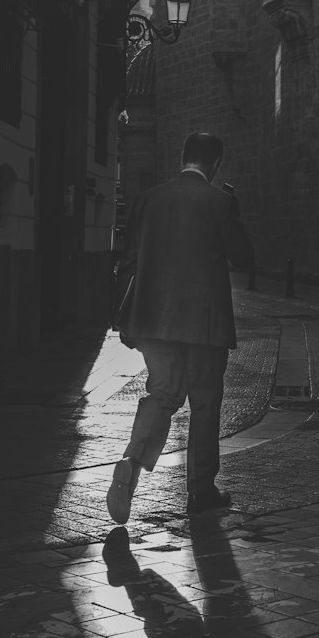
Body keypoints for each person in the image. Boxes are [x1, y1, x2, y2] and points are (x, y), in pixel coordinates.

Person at [108, 131, 254, 521]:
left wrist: (123, 319)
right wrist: (233, 211)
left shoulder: (147, 200)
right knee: (205, 403)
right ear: (216, 164)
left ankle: (131, 461)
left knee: (162, 393)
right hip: (204, 326)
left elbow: (129, 264)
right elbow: (243, 257)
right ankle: (201, 491)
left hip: (154, 322)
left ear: (183, 156)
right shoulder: (219, 202)